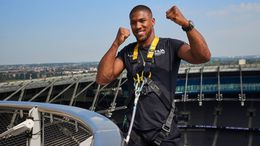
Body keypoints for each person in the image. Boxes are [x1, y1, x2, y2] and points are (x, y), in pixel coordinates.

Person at [96, 4, 211, 146]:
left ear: (153, 22)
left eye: (142, 21)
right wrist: (116, 43)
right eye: (133, 22)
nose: (137, 26)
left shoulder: (170, 46)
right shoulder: (127, 51)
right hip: (134, 133)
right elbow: (102, 78)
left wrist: (186, 24)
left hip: (164, 134)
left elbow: (203, 56)